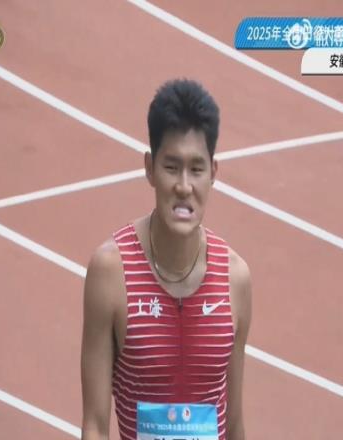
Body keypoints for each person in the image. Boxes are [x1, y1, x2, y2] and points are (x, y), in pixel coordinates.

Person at [81, 79, 252, 440]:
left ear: (214, 174)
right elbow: (95, 424)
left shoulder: (234, 278)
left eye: (196, 169)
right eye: (172, 167)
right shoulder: (111, 272)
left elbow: (235, 425)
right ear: (149, 168)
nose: (184, 187)